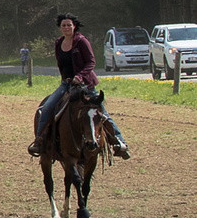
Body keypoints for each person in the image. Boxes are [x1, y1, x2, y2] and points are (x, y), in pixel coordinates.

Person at [27, 13, 130, 159]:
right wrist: (67, 79)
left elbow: (91, 62)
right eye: (64, 25)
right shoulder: (58, 43)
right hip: (66, 84)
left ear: (74, 26)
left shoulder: (81, 41)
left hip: (86, 84)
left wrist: (79, 76)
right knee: (47, 107)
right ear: (60, 27)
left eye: (69, 25)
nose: (66, 27)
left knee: (102, 114)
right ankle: (39, 141)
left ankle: (119, 143)